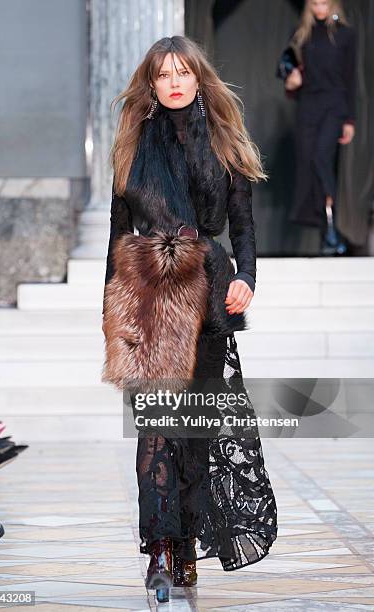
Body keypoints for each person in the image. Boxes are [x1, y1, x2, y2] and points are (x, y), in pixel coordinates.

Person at [102, 35, 278, 603]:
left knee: (192, 432)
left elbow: (243, 225)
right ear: (150, 85)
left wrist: (246, 278)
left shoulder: (224, 141)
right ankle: (159, 548)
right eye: (163, 74)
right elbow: (116, 233)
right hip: (148, 298)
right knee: (155, 430)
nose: (174, 82)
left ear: (199, 78)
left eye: (183, 72)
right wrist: (112, 314)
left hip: (206, 296)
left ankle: (184, 543)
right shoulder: (132, 144)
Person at [285, 0, 357, 255]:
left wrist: (349, 120)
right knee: (308, 164)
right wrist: (291, 77)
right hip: (308, 106)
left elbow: (350, 78)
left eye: (324, 2)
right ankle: (324, 227)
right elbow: (285, 65)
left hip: (334, 106)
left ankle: (331, 227)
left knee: (321, 159)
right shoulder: (300, 33)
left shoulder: (346, 35)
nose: (319, 7)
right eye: (314, 2)